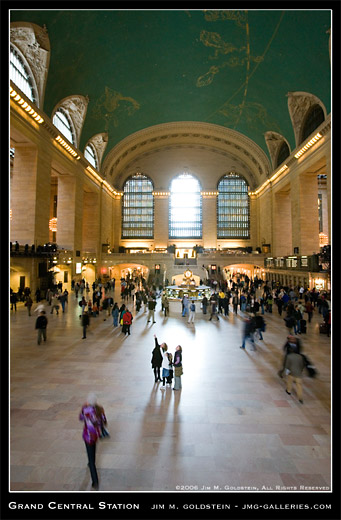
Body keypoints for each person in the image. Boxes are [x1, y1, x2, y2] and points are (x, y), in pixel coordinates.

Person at [79, 393, 106, 489]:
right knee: (93, 449)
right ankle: (91, 460)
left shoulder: (86, 410)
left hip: (88, 436)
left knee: (91, 459)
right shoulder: (100, 409)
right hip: (96, 435)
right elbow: (103, 420)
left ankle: (95, 480)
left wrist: (83, 407)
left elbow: (81, 418)